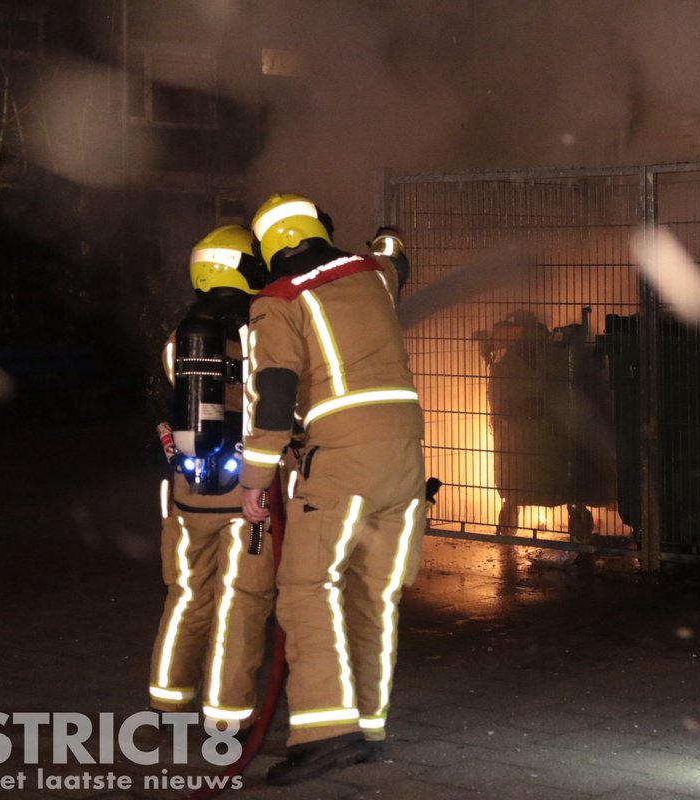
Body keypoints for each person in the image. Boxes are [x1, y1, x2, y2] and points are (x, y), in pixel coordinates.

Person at [238, 194, 425, 786]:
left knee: (306, 588)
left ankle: (325, 735)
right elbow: (397, 253)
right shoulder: (373, 274)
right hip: (404, 457)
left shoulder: (279, 300)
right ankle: (368, 727)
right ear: (319, 229)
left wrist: (255, 477)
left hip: (343, 459)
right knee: (375, 594)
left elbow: (272, 390)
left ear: (270, 249)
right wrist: (387, 235)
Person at [147, 225, 276, 733]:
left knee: (185, 597)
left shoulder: (179, 340)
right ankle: (228, 716)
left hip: (186, 494)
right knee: (240, 605)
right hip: (248, 497)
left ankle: (168, 701)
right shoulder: (263, 334)